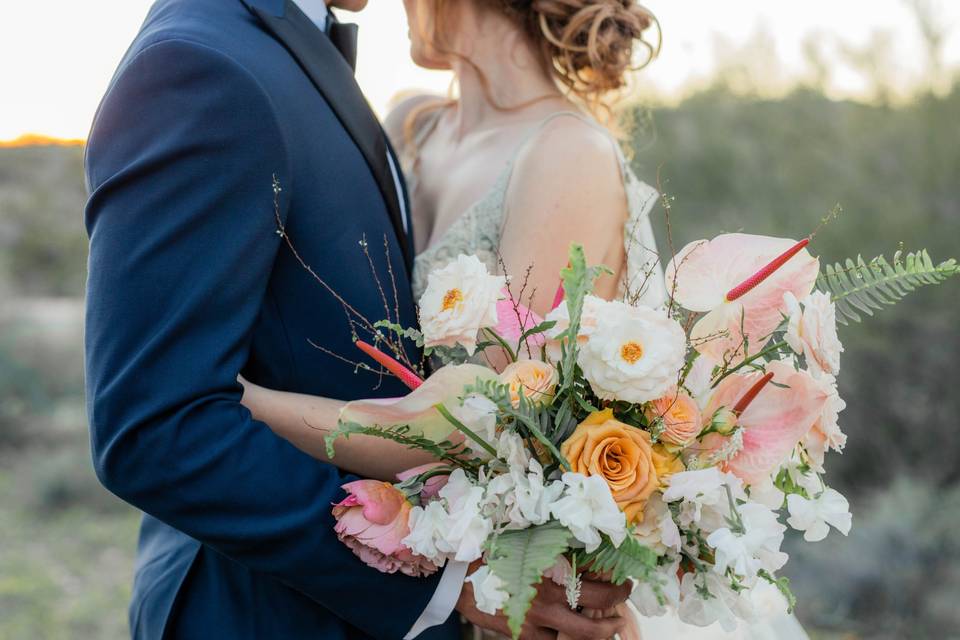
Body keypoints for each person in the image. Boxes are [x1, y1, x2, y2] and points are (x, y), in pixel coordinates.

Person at [239, 1, 813, 639]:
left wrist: (236, 405)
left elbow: (484, 429)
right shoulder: (410, 126)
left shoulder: (564, 157)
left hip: (522, 593)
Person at [83, 0, 631, 638]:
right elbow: (156, 419)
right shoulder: (223, 66)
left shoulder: (552, 153)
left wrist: (249, 401)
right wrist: (447, 582)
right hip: (258, 606)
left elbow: (493, 424)